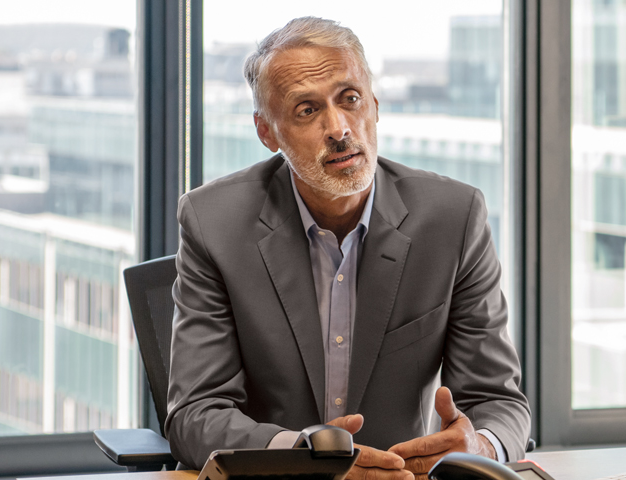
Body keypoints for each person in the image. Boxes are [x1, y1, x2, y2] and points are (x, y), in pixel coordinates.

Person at [166, 16, 530, 478]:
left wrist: (480, 443)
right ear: (267, 133)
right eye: (307, 110)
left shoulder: (454, 218)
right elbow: (195, 413)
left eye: (350, 99)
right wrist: (300, 459)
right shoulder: (213, 222)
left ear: (374, 106)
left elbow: (499, 400)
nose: (338, 128)